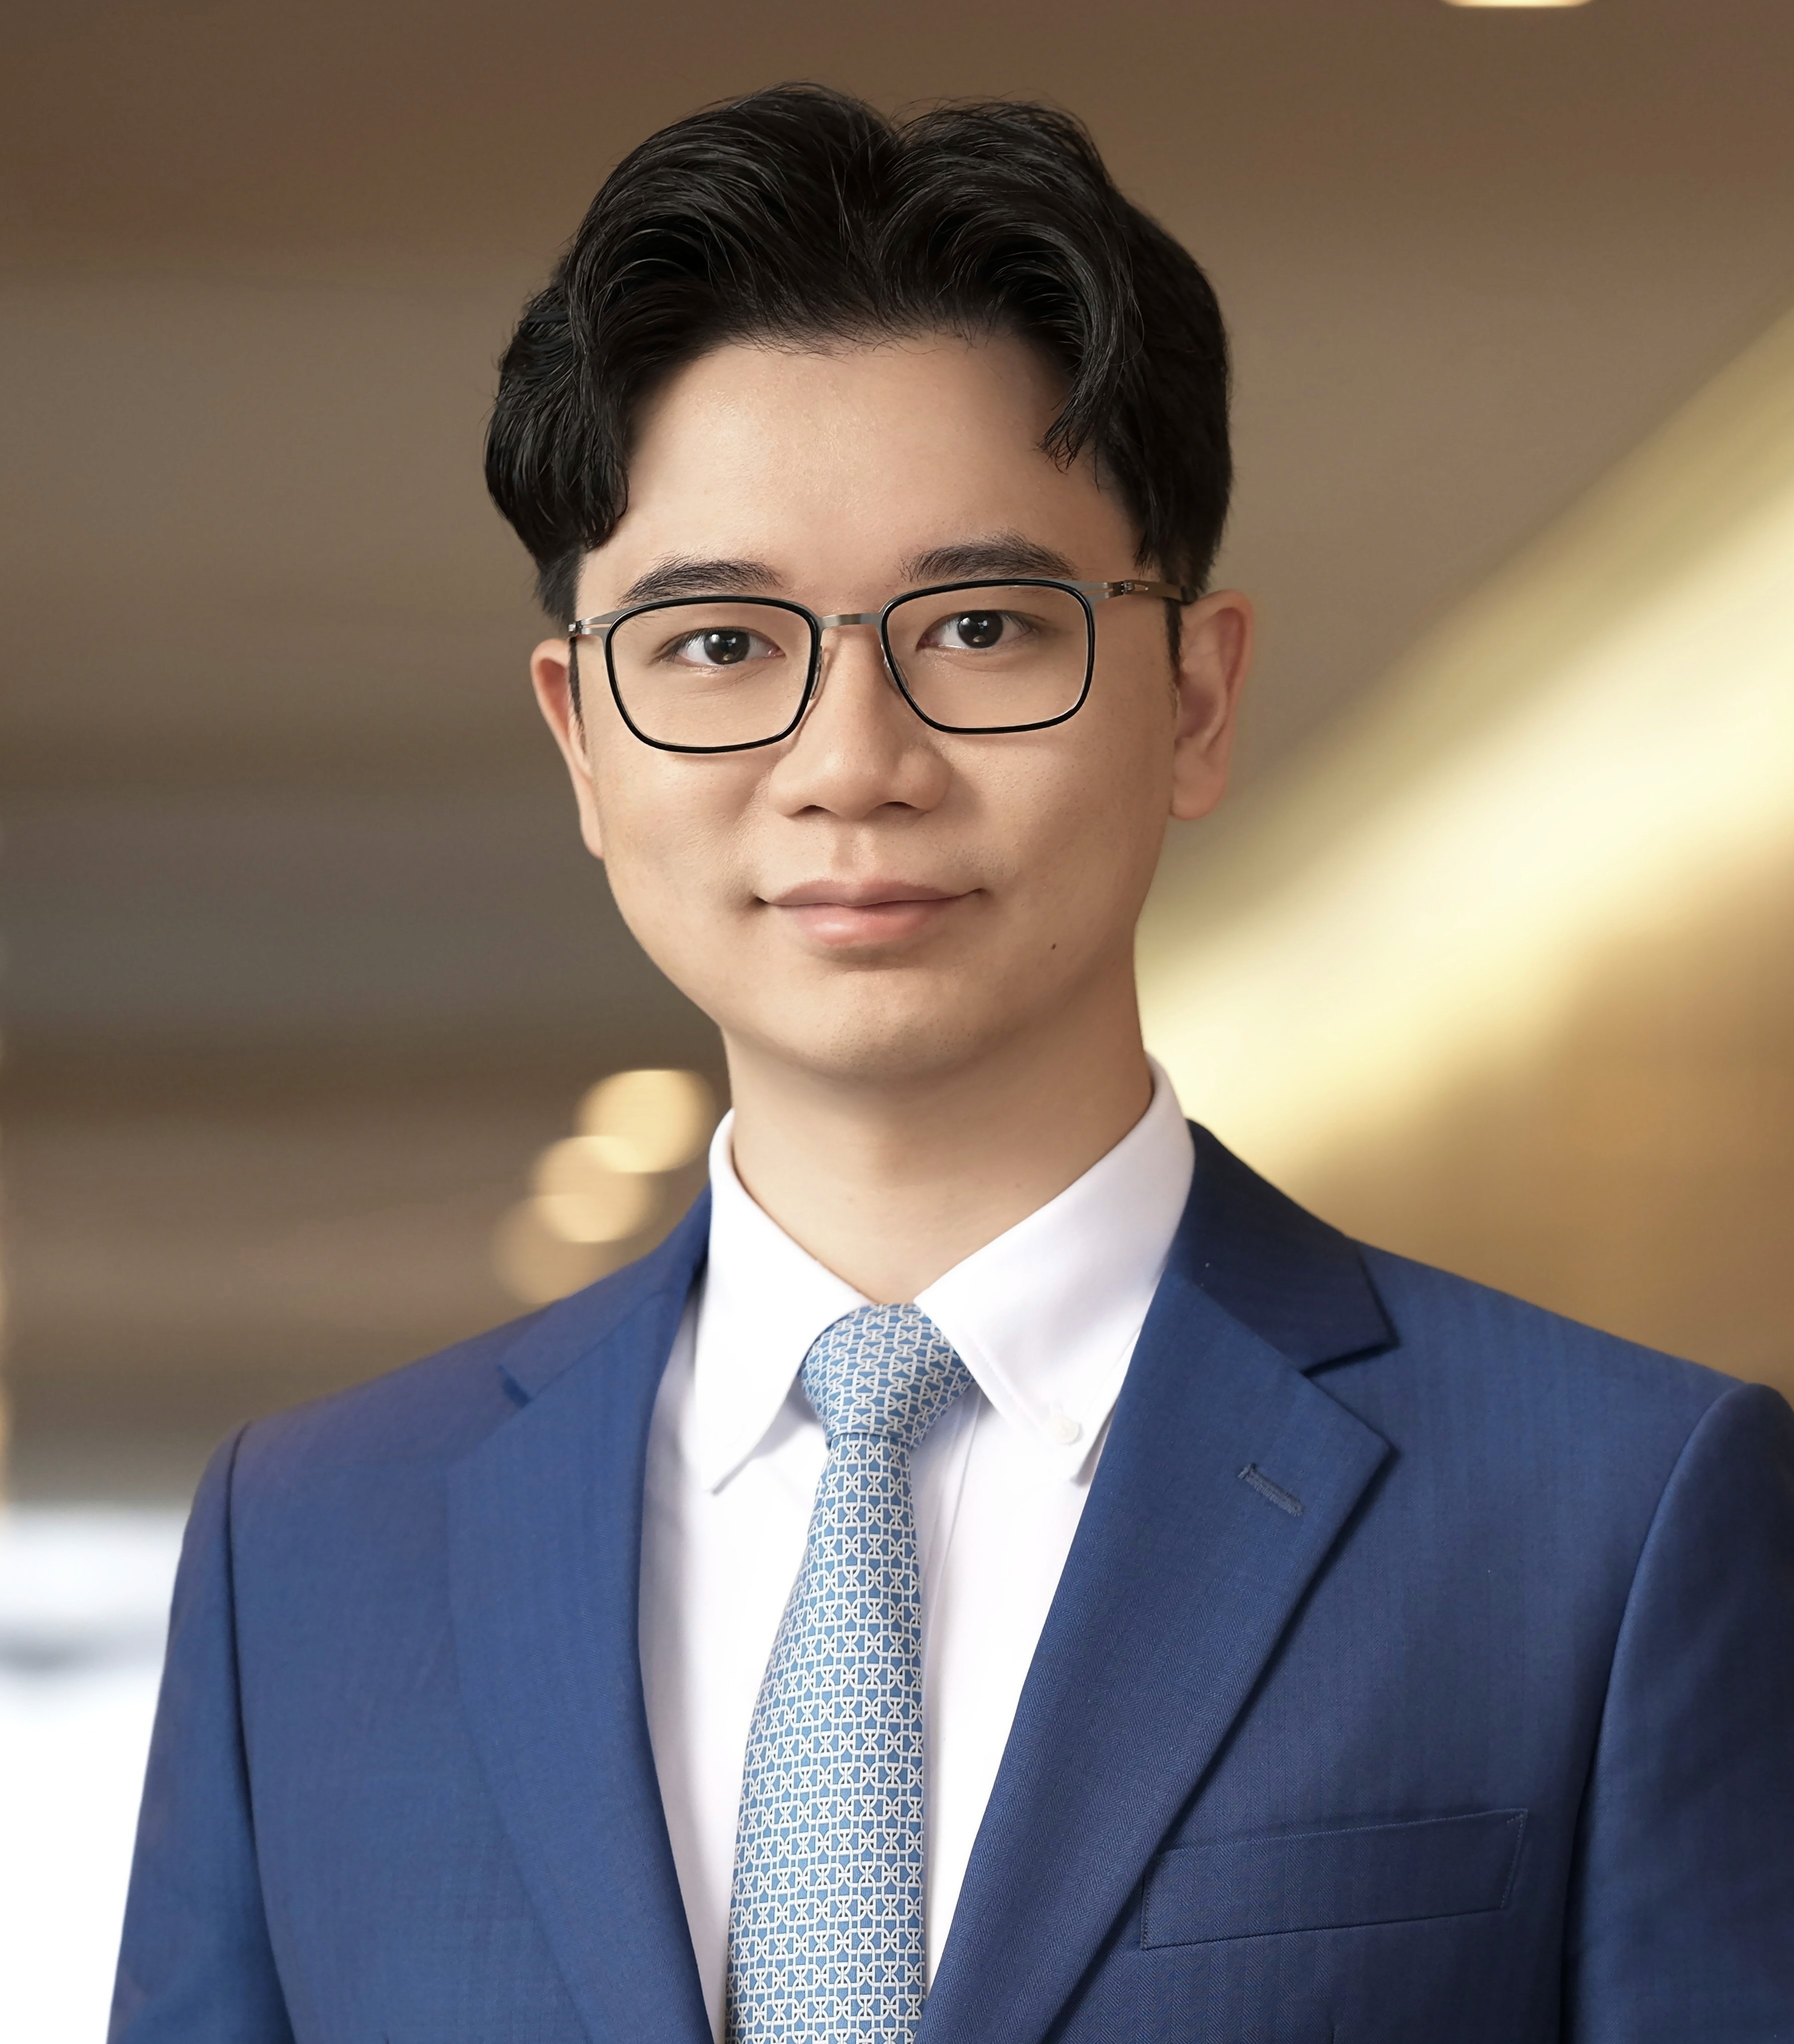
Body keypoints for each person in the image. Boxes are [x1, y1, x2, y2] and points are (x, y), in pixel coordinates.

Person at [111, 85, 1793, 2044]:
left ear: (1198, 694)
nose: (854, 760)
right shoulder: (313, 1554)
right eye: (722, 644)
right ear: (583, 736)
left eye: (984, 624)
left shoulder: (1618, 1509)